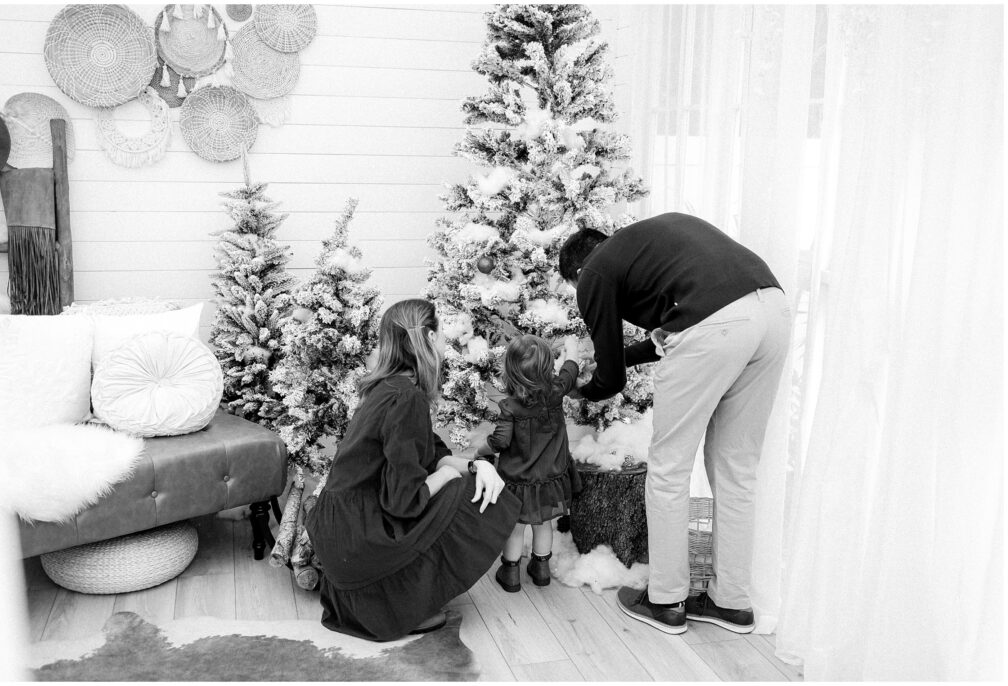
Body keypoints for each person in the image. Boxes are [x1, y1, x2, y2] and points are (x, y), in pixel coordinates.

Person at [558, 212, 790, 635]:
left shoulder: (592, 271)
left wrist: (579, 390)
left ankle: (665, 601)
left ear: (577, 272)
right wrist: (621, 353)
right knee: (737, 470)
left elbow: (611, 380)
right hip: (772, 310)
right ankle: (732, 603)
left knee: (667, 470)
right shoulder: (650, 249)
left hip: (715, 325)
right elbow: (672, 334)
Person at [305, 298, 523, 642]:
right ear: (430, 337)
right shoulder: (405, 397)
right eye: (440, 336)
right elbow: (403, 502)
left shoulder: (390, 386)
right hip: (358, 537)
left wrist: (475, 466)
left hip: (342, 534)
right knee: (462, 493)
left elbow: (433, 454)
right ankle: (403, 600)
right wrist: (452, 476)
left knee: (468, 480)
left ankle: (406, 591)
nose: (444, 343)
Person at [475, 333, 583, 592]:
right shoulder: (556, 392)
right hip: (550, 479)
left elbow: (500, 442)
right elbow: (571, 369)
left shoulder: (510, 407)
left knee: (515, 527)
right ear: (547, 368)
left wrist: (480, 450)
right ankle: (541, 569)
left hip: (518, 482)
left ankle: (511, 573)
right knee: (544, 523)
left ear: (510, 372)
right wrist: (571, 347)